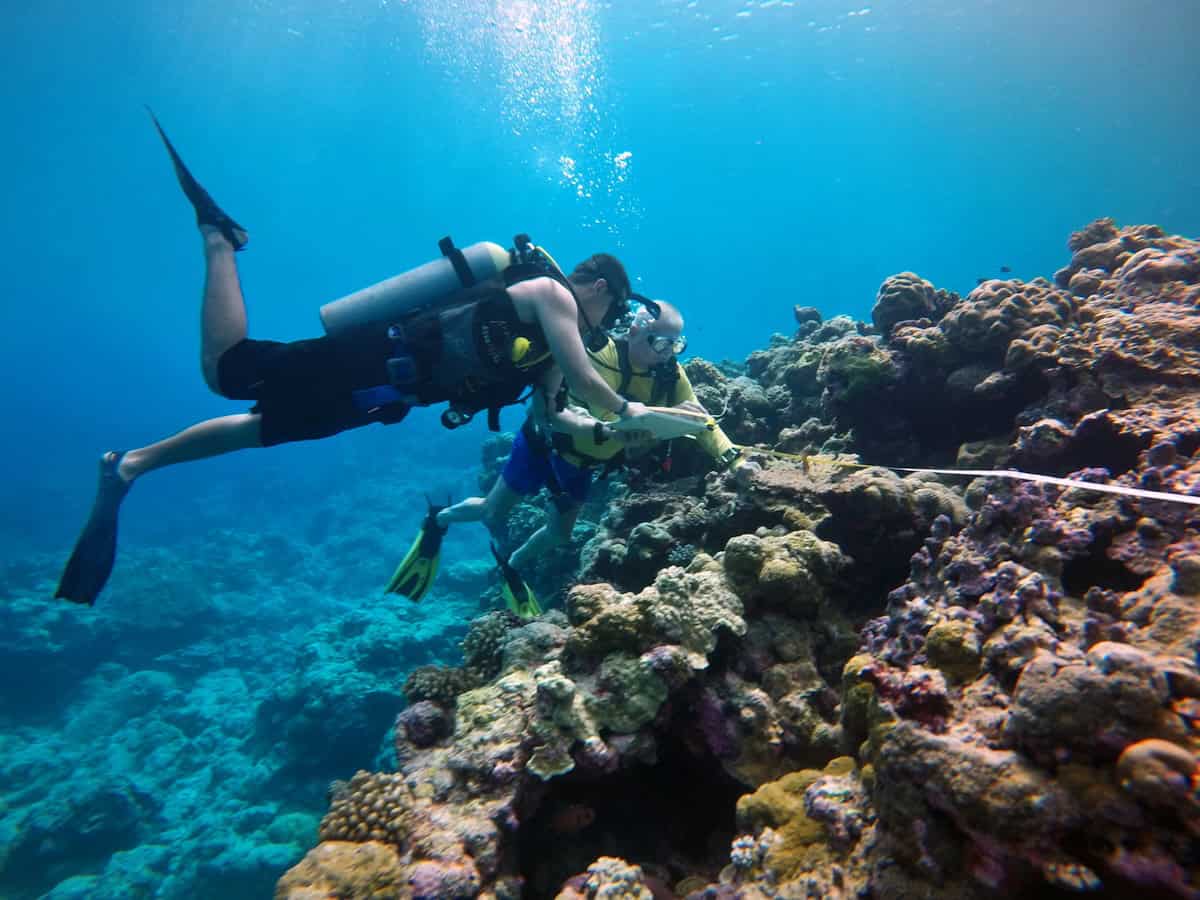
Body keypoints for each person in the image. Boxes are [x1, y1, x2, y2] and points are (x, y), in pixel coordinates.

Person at [55, 112, 654, 606]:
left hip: (384, 399)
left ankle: (131, 465)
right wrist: (636, 412)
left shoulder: (550, 346)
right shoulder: (551, 297)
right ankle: (220, 239)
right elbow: (580, 376)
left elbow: (552, 413)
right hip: (375, 357)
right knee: (227, 372)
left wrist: (601, 428)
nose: (614, 328)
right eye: (619, 312)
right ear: (599, 287)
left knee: (263, 428)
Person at [386, 297, 742, 617]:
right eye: (662, 343)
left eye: (677, 344)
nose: (669, 354)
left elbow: (699, 418)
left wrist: (732, 459)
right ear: (636, 330)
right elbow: (557, 408)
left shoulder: (669, 374)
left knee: (559, 533)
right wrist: (605, 430)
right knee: (494, 509)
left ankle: (511, 565)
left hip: (583, 463)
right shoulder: (594, 353)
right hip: (544, 445)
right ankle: (439, 520)